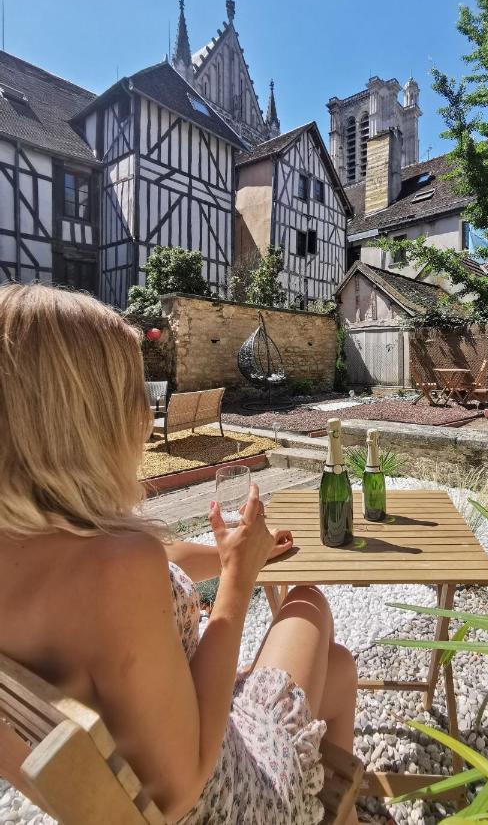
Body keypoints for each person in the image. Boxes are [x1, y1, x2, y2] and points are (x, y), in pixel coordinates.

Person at [0, 283, 358, 824]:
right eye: (131, 394)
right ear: (85, 419)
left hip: (110, 778)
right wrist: (237, 581)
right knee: (308, 605)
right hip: (222, 800)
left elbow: (155, 566)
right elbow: (181, 787)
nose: (142, 413)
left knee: (339, 666)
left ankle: (347, 812)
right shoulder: (119, 566)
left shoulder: (49, 546)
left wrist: (231, 554)